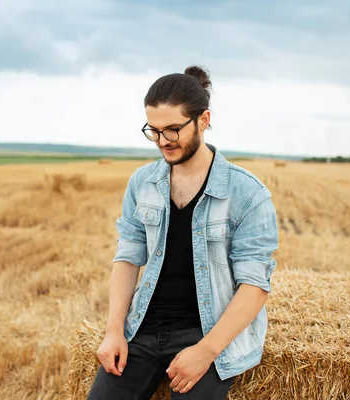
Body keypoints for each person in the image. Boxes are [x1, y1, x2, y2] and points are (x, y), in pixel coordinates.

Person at [87, 65, 279, 400]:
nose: (163, 142)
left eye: (173, 129)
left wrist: (206, 352)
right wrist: (114, 331)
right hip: (143, 328)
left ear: (204, 120)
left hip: (206, 331)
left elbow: (254, 284)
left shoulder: (247, 193)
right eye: (154, 131)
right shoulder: (142, 182)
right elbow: (128, 257)